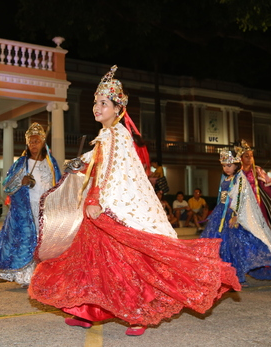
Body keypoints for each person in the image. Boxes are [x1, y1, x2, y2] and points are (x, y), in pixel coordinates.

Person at [28, 65, 240, 337]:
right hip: (101, 209)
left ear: (117, 109)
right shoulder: (107, 135)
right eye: (95, 102)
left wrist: (94, 198)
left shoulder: (116, 134)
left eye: (103, 103)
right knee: (92, 262)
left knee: (125, 265)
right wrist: (78, 164)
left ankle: (138, 313)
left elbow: (111, 167)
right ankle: (86, 310)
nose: (96, 107)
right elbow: (97, 162)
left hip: (110, 209)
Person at [0, 123, 61, 286]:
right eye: (31, 142)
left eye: (37, 141)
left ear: (43, 142)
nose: (34, 145)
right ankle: (28, 277)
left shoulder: (51, 162)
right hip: (26, 210)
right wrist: (21, 182)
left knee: (45, 242)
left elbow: (59, 184)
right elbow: (7, 186)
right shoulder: (21, 163)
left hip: (47, 210)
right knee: (29, 241)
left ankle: (45, 274)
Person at [200, 149, 271, 286]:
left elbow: (240, 198)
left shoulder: (239, 178)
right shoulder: (225, 178)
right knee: (219, 245)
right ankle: (219, 275)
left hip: (233, 215)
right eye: (224, 166)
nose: (226, 168)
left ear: (236, 165)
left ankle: (237, 277)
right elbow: (221, 196)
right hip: (220, 214)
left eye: (229, 165)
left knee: (235, 247)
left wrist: (235, 216)